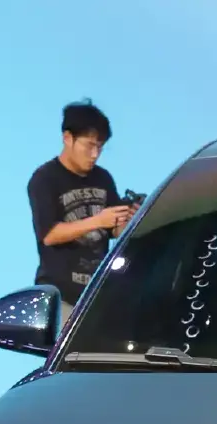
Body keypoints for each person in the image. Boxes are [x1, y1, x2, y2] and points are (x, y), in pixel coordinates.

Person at [28, 101, 139, 305]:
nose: (95, 154)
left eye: (100, 147)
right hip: (59, 296)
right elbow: (49, 235)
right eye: (89, 146)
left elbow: (114, 231)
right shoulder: (45, 178)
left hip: (98, 293)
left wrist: (128, 219)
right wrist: (98, 221)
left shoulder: (103, 178)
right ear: (68, 138)